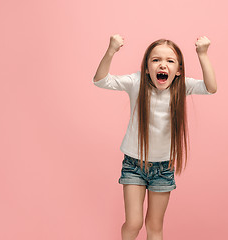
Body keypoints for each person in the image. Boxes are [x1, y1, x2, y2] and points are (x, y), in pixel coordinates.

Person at [92, 34, 217, 240]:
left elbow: (211, 87)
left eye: (170, 61)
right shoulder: (136, 82)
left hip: (164, 167)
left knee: (154, 226)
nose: (162, 65)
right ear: (146, 67)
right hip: (134, 164)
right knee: (134, 223)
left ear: (178, 71)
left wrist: (202, 54)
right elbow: (100, 80)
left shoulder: (182, 86)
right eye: (156, 60)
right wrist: (111, 50)